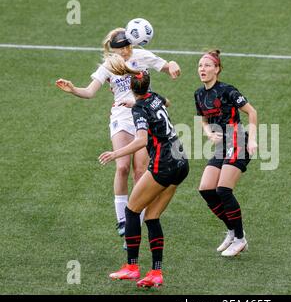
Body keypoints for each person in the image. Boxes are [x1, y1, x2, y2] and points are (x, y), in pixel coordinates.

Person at [55, 28, 181, 247]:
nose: (123, 52)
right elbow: (89, 92)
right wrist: (73, 89)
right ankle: (123, 220)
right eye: (119, 49)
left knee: (140, 171)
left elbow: (165, 66)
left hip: (143, 116)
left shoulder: (141, 56)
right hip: (121, 119)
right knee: (122, 167)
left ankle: (135, 223)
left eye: (125, 47)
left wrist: (173, 65)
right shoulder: (109, 66)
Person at [99, 58, 189, 288]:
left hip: (164, 164)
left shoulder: (139, 108)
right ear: (147, 86)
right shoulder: (156, 97)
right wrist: (140, 103)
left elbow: (141, 140)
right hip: (181, 161)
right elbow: (165, 103)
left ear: (131, 88)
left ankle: (131, 267)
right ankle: (156, 273)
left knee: (131, 211)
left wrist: (115, 153)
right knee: (151, 217)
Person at [194, 50, 258, 257]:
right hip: (222, 145)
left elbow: (252, 111)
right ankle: (232, 231)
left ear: (217, 69)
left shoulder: (228, 90)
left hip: (238, 140)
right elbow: (203, 119)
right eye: (200, 66)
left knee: (223, 190)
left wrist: (254, 139)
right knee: (205, 189)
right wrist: (209, 134)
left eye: (207, 65)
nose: (202, 69)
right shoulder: (199, 94)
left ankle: (240, 239)